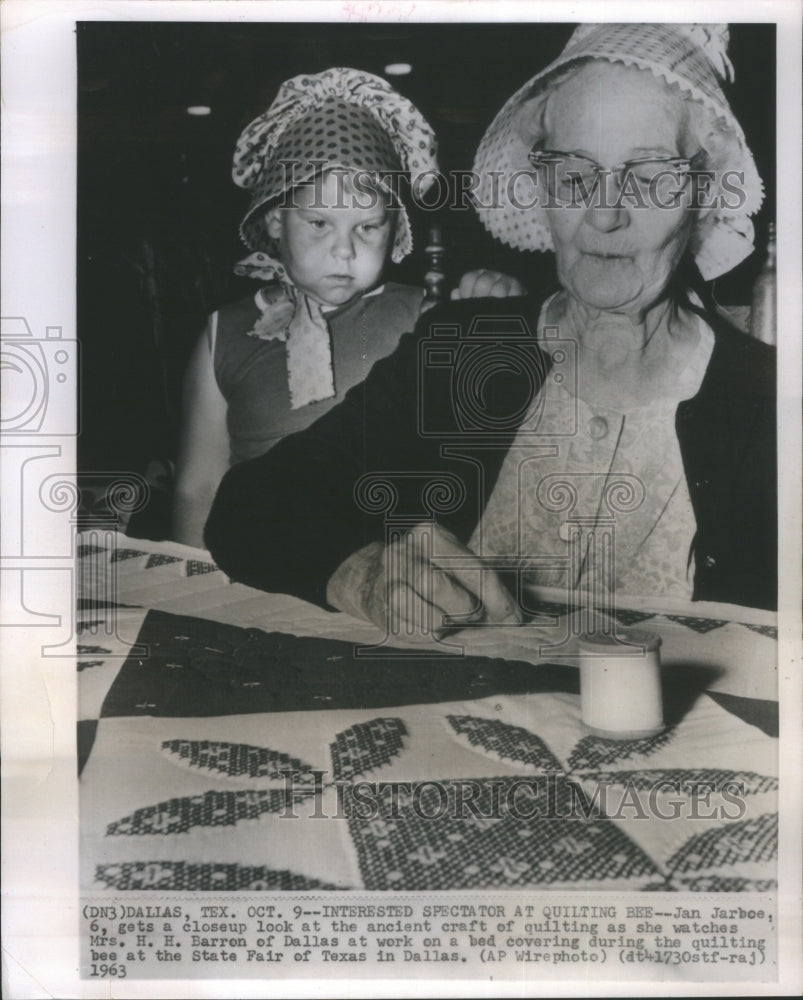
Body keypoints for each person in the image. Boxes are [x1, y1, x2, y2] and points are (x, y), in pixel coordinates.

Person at [205, 24, 777, 625]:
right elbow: (252, 505)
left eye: (650, 177)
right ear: (540, 187)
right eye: (575, 174)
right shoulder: (464, 348)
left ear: (704, 193)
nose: (605, 214)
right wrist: (362, 575)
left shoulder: (771, 405)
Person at [172, 67, 522, 546]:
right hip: (256, 564)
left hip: (388, 569)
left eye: (368, 227)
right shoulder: (222, 332)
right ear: (276, 219)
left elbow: (475, 450)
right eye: (319, 223)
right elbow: (200, 486)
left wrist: (493, 315)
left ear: (394, 226)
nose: (344, 250)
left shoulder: (425, 313)